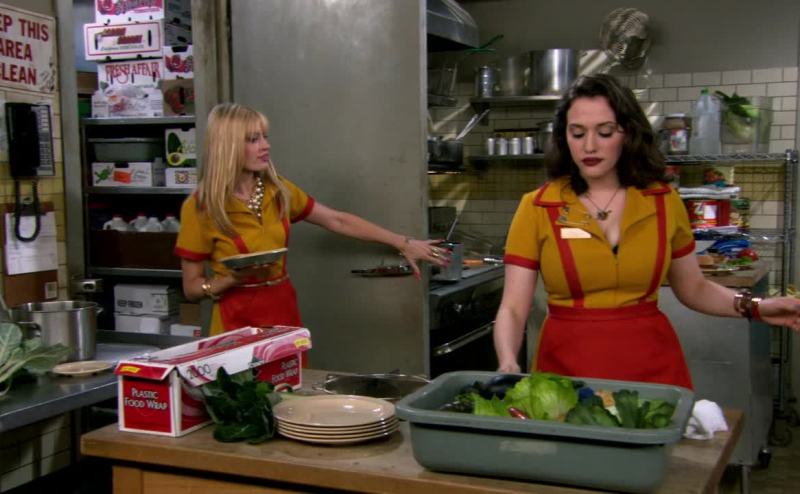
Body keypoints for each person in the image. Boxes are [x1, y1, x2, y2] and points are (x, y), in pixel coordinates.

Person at [494, 74, 800, 388]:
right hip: (565, 375)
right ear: (564, 137)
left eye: (605, 132)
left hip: (652, 372)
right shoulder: (538, 207)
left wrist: (756, 307)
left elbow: (694, 288)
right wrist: (507, 362)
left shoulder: (663, 201)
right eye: (577, 133)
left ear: (628, 133)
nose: (589, 145)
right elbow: (514, 307)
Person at [175, 102, 449, 336]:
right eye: (254, 139)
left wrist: (402, 242)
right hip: (235, 323)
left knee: (291, 383)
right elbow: (191, 288)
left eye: (265, 137)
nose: (266, 146)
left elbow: (337, 220)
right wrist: (230, 280)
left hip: (283, 314)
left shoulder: (278, 190)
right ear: (228, 146)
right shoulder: (201, 207)